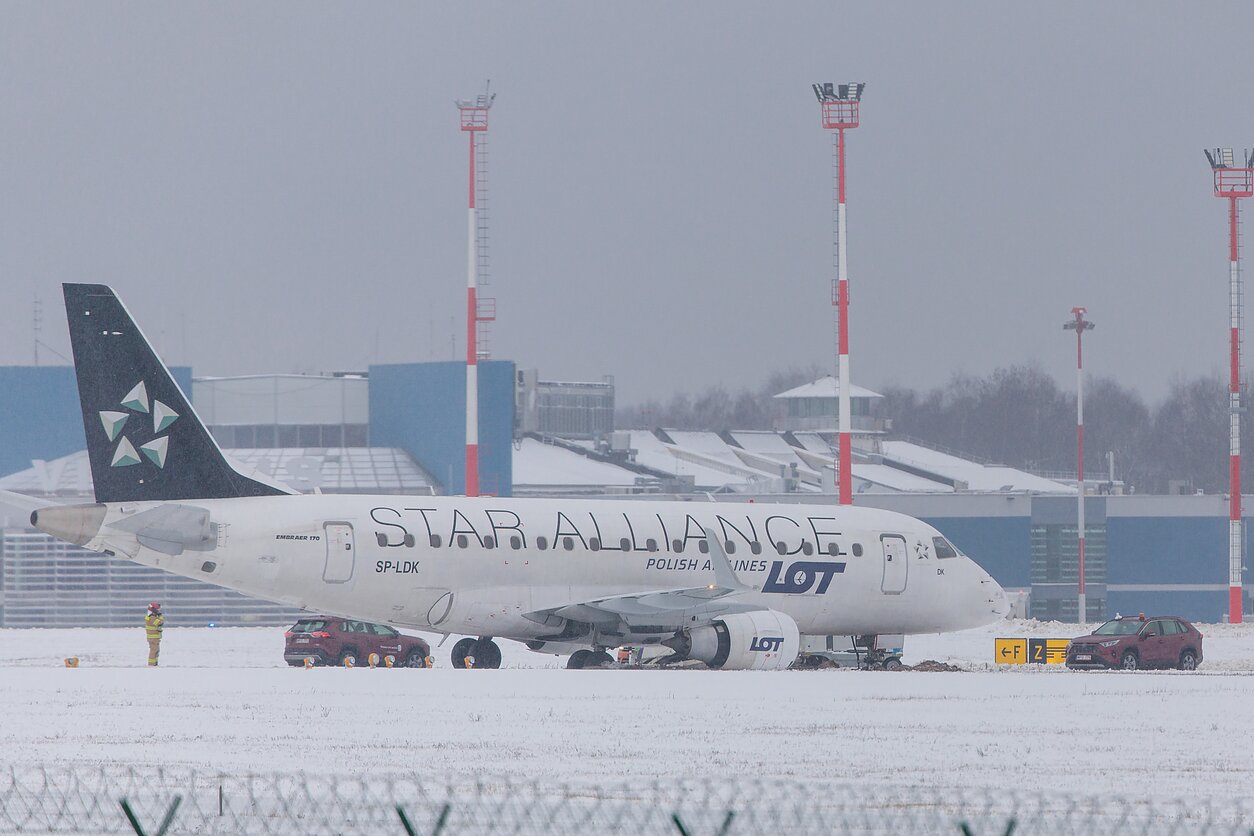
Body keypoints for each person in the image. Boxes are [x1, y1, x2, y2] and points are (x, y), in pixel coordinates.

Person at [145, 602, 164, 666]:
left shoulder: (151, 616)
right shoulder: (152, 617)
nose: (158, 611)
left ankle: (154, 663)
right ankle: (151, 664)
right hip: (153, 638)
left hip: (154, 638)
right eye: (157, 609)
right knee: (154, 651)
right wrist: (160, 616)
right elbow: (160, 623)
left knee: (156, 651)